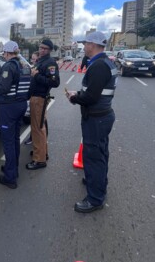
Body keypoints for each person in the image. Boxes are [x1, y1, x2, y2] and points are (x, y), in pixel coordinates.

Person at [65, 31, 117, 213]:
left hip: (96, 118)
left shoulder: (98, 66)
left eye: (86, 43)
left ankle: (95, 199)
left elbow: (91, 96)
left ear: (93, 45)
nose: (84, 46)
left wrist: (74, 97)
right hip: (102, 116)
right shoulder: (106, 62)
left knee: (93, 156)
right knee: (101, 152)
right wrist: (79, 95)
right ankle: (98, 181)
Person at [0, 41, 29, 189]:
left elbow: (3, 89)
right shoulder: (23, 64)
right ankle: (13, 168)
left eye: (4, 53)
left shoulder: (9, 66)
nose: (3, 55)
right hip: (21, 104)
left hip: (9, 106)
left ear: (8, 53)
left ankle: (10, 177)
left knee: (8, 141)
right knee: (15, 138)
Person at [26, 39, 60, 170]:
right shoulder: (41, 61)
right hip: (35, 97)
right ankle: (40, 152)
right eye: (40, 47)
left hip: (40, 98)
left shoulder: (50, 63)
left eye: (45, 48)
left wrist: (37, 75)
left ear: (50, 50)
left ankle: (39, 160)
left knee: (38, 129)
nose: (41, 50)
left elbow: (55, 82)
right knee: (38, 128)